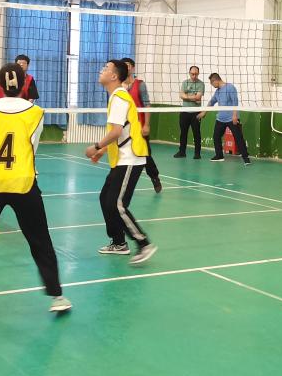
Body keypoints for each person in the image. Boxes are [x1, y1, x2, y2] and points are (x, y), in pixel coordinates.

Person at [0, 63, 70, 315]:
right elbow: (32, 147)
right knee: (40, 239)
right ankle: (57, 296)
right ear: (23, 84)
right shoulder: (36, 112)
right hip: (22, 181)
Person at [84, 59, 157, 265]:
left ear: (114, 76)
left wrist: (96, 147)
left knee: (116, 204)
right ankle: (119, 242)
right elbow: (121, 132)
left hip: (131, 158)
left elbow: (116, 131)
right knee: (105, 199)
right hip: (122, 158)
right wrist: (103, 151)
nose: (102, 70)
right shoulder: (117, 96)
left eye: (106, 68)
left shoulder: (119, 97)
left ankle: (143, 243)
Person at [121, 57, 162, 193]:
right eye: (123, 66)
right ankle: (122, 182)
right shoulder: (118, 86)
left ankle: (154, 176)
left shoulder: (140, 85)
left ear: (133, 68)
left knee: (145, 154)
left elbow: (147, 105)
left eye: (128, 65)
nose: (126, 68)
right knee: (121, 154)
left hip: (139, 127)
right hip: (123, 128)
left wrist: (147, 125)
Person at [199, 73, 251, 165]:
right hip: (221, 119)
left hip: (232, 118)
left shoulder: (230, 88)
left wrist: (235, 115)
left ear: (215, 80)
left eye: (212, 83)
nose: (212, 85)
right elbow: (211, 102)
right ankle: (219, 156)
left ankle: (246, 158)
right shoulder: (218, 91)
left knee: (238, 138)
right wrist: (204, 112)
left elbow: (235, 101)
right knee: (216, 136)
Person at [175, 65, 205, 159]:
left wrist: (187, 96)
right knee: (183, 133)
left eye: (196, 74)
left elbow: (198, 97)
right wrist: (193, 97)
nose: (194, 76)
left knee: (196, 134)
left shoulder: (201, 84)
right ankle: (182, 152)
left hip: (196, 113)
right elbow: (181, 95)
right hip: (184, 112)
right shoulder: (185, 83)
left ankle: (197, 154)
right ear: (189, 73)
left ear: (198, 74)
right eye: (192, 74)